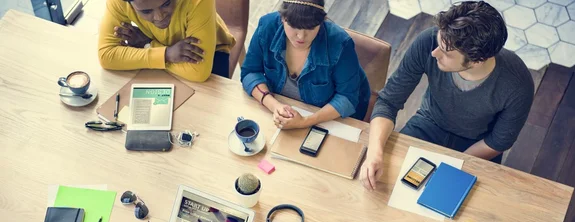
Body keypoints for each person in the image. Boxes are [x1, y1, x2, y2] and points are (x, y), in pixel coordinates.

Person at [360, 1, 534, 191]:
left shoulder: (517, 84)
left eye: (446, 53)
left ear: (477, 61)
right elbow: (388, 101)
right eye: (439, 43)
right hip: (428, 123)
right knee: (387, 186)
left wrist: (454, 165)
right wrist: (375, 152)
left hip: (477, 145)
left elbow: (499, 142)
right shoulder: (428, 42)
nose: (434, 53)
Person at [241, 0, 371, 129]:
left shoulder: (340, 43)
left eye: (310, 27)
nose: (301, 36)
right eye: (294, 26)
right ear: (282, 18)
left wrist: (304, 121)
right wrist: (275, 106)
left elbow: (347, 97)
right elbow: (250, 72)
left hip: (325, 118)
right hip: (279, 111)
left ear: (322, 20)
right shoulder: (267, 26)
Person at [98, 0, 235, 81]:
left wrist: (148, 45)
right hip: (165, 48)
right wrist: (166, 54)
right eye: (146, 11)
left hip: (214, 50)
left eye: (166, 3)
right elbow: (106, 55)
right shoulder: (118, 2)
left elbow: (198, 72)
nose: (159, 17)